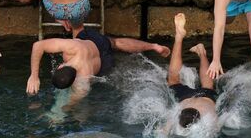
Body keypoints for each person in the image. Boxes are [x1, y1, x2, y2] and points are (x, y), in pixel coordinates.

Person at [26, 24, 169, 103]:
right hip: (94, 44)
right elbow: (38, 46)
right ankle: (154, 46)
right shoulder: (71, 47)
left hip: (104, 64)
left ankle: (152, 47)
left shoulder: (84, 83)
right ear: (60, 66)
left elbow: (69, 104)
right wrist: (34, 76)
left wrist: (57, 113)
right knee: (115, 42)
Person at [164, 13, 217, 132]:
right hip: (188, 98)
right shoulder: (210, 120)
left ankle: (200, 51)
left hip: (205, 96)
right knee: (173, 80)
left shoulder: (175, 116)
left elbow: (163, 132)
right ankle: (195, 49)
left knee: (207, 86)